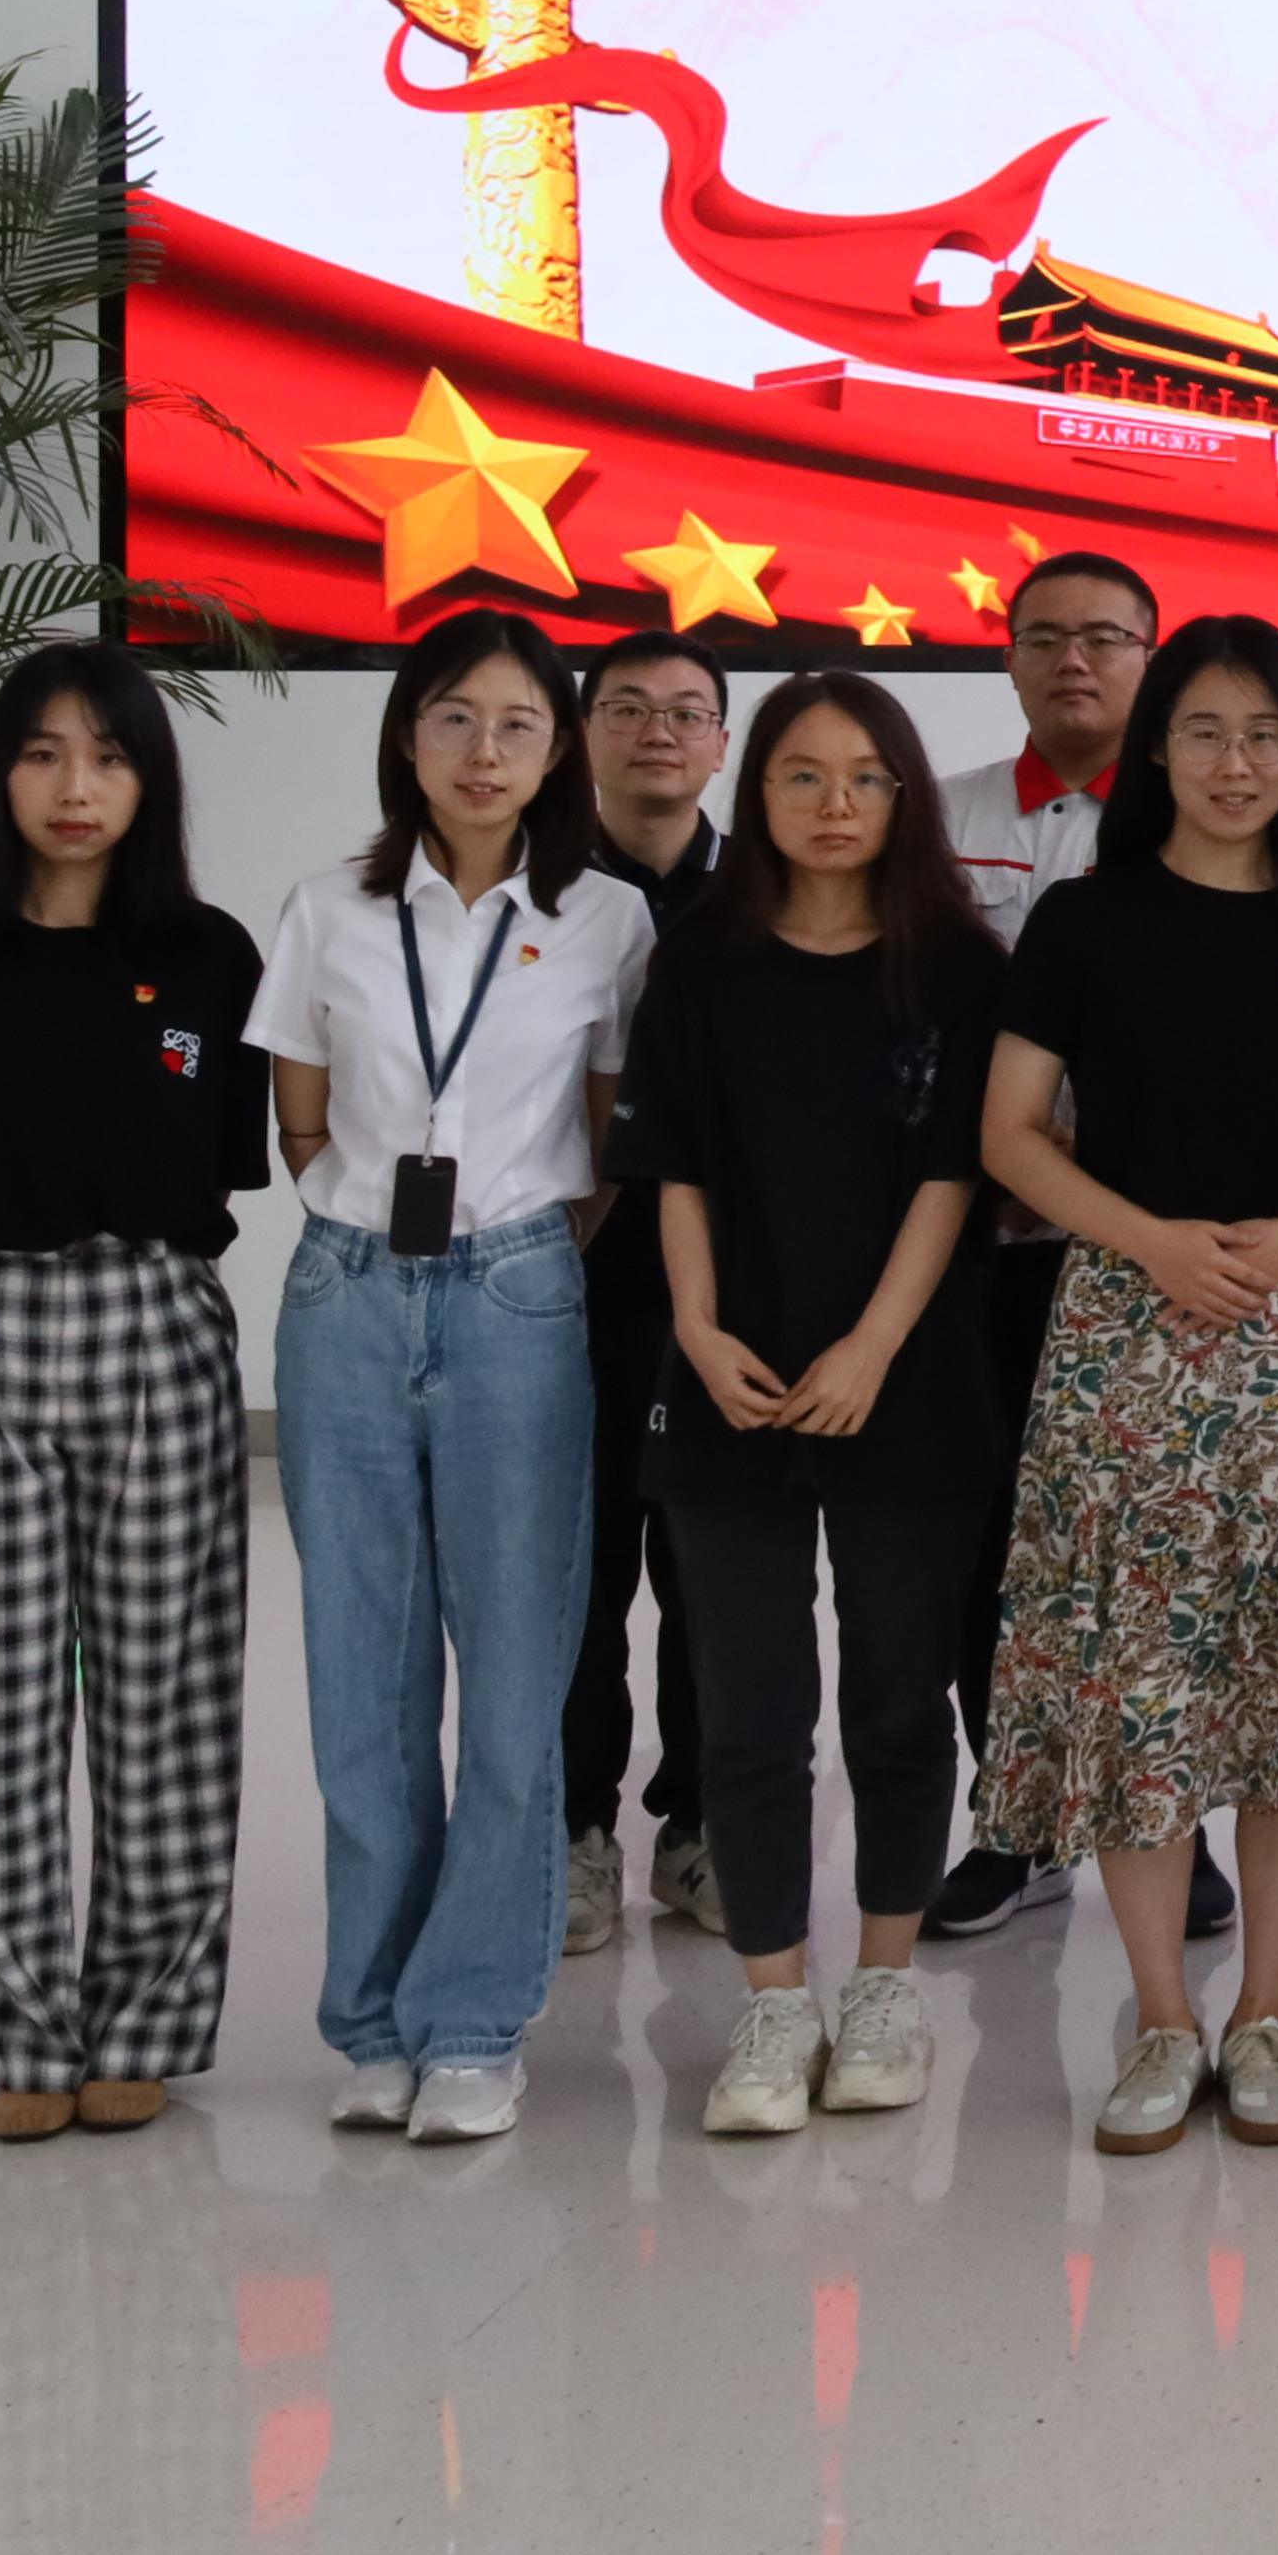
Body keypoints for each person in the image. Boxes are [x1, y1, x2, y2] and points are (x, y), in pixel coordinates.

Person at [976, 616, 1278, 2153]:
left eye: (1268, 735)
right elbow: (1009, 1133)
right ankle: (1164, 2018)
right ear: (1156, 746)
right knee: (1141, 1686)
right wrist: (1153, 1244)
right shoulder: (1083, 920)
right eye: (1209, 731)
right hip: (1124, 1328)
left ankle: (1267, 2013)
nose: (1239, 763)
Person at [0, 645, 274, 2143]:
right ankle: (20, 2032)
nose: (75, 786)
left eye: (109, 754)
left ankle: (143, 2021)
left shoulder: (212, 958)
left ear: (150, 779)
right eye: (41, 752)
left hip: (160, 1322)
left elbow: (219, 1164)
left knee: (171, 1697)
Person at [251, 616, 654, 2146]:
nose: (484, 753)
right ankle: (371, 2019)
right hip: (346, 1296)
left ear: (558, 751)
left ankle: (474, 2022)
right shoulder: (327, 907)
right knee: (361, 1680)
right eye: (453, 719)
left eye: (517, 725)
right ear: (406, 736)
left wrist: (524, 1250)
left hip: (516, 1298)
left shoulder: (608, 918)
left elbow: (609, 1132)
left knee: (514, 1677)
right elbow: (301, 1118)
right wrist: (363, 1214)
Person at [609, 675, 1007, 2138]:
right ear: (756, 789)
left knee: (902, 1696)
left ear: (906, 798)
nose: (835, 804)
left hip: (907, 1379)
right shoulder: (699, 962)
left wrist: (872, 1349)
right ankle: (774, 1999)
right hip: (735, 1374)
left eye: (866, 778)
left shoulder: (956, 967)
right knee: (751, 1707)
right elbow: (675, 1166)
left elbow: (954, 1175)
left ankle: (885, 1985)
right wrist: (699, 1331)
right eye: (801, 775)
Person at [921, 547, 1163, 1945]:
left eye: (1106, 637)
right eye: (1046, 635)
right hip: (976, 1248)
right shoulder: (940, 822)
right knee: (988, 1539)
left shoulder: (1194, 817)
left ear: (1150, 656)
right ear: (1008, 655)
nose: (1075, 660)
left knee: (1142, 1549)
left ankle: (1160, 1821)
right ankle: (1014, 1819)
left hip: (1139, 1254)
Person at [562, 630, 726, 1957]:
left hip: (725, 1292)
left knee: (715, 1571)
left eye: (685, 711)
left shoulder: (774, 894)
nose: (656, 731)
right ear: (586, 735)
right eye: (626, 708)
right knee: (574, 1572)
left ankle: (700, 1827)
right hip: (561, 1283)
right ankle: (572, 1830)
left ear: (722, 742)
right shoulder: (535, 895)